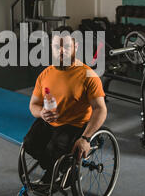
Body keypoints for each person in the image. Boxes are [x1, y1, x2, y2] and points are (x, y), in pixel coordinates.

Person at [23, 26, 107, 185]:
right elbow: (33, 104)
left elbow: (100, 109)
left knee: (53, 150)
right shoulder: (45, 74)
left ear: (75, 47)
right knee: (29, 144)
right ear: (51, 48)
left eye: (67, 46)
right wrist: (41, 112)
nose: (62, 50)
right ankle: (58, 168)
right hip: (50, 122)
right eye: (57, 46)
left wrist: (86, 138)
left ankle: (59, 171)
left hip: (74, 126)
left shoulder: (88, 75)